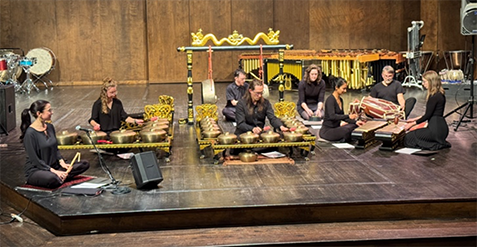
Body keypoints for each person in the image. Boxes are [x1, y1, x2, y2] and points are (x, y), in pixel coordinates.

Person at [20, 100, 90, 189]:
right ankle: (58, 177)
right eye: (49, 110)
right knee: (53, 179)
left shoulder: (50, 127)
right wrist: (54, 171)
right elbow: (35, 160)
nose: (52, 112)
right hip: (37, 169)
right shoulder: (30, 134)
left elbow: (55, 149)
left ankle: (60, 176)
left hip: (54, 166)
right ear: (39, 113)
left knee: (84, 164)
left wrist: (62, 162)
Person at [404, 70, 452, 150]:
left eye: (424, 81)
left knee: (409, 138)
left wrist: (412, 124)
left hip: (435, 130)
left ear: (431, 82)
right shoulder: (439, 94)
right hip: (441, 128)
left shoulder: (434, 96)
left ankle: (436, 145)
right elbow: (431, 113)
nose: (423, 84)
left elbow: (427, 115)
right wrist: (414, 119)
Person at [319, 77, 365, 142]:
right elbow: (332, 116)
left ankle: (345, 138)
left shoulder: (341, 100)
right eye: (343, 88)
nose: (345, 91)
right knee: (346, 130)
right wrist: (348, 116)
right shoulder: (330, 100)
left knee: (355, 126)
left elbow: (343, 117)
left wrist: (356, 122)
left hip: (336, 128)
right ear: (336, 87)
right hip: (328, 131)